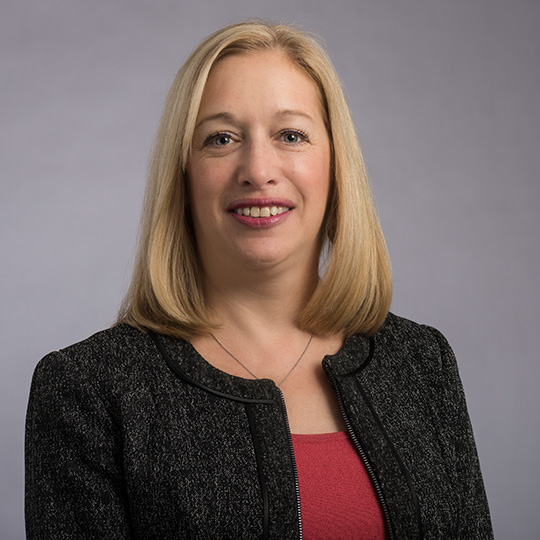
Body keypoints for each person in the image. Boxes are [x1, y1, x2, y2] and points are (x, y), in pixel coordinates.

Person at [25, 21, 493, 540]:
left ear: (336, 166)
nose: (258, 169)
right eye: (220, 138)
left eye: (291, 135)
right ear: (182, 175)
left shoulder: (422, 363)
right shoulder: (88, 389)